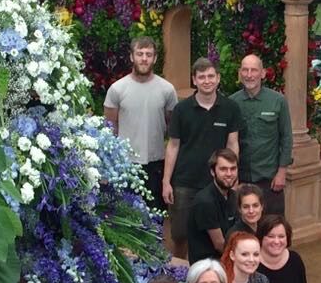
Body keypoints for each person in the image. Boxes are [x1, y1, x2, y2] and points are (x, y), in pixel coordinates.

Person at [163, 58, 242, 260]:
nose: (206, 81)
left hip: (218, 184)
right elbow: (173, 145)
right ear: (194, 80)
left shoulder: (230, 108)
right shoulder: (182, 110)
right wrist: (166, 181)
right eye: (201, 77)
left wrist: (233, 178)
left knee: (218, 235)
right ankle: (179, 276)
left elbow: (233, 144)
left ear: (218, 79)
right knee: (180, 235)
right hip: (184, 183)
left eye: (210, 76)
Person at [102, 35, 176, 213]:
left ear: (155, 58)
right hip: (126, 165)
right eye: (140, 53)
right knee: (126, 220)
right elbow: (109, 130)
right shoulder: (117, 89)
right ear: (131, 57)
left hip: (156, 164)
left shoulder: (167, 90)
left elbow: (171, 127)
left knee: (155, 219)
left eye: (149, 54)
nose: (144, 58)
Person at [227, 54, 293, 213]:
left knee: (272, 225)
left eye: (254, 70)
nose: (249, 75)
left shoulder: (277, 101)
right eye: (245, 70)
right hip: (241, 178)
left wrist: (282, 173)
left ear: (263, 73)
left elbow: (286, 138)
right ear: (240, 73)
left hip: (269, 178)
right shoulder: (231, 103)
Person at [186, 148, 239, 264]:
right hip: (207, 266)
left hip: (228, 258)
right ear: (212, 171)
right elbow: (220, 245)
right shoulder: (205, 201)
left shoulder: (233, 196)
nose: (229, 174)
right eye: (223, 169)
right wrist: (243, 258)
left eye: (233, 169)